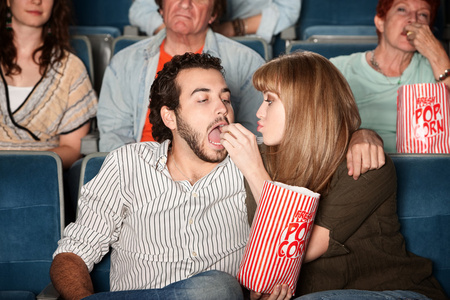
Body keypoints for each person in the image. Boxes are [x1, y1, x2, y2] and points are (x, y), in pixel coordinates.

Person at [51, 52, 385, 300]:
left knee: (216, 288)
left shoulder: (259, 160)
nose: (222, 108)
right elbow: (72, 255)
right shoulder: (128, 163)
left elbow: (315, 137)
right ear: (170, 116)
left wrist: (363, 133)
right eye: (203, 99)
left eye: (225, 98)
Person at [220, 51, 447, 300]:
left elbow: (287, 253)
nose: (259, 113)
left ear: (304, 105)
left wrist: (254, 171)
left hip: (391, 291)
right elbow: (266, 272)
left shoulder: (364, 165)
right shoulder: (262, 158)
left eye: (270, 101)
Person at [97, 0, 265, 152]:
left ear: (213, 14)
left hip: (214, 170)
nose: (185, 4)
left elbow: (255, 135)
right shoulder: (124, 62)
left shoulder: (247, 63)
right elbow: (114, 135)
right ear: (161, 8)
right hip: (139, 168)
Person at [330, 0, 450, 153]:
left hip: (423, 166)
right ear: (380, 22)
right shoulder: (339, 68)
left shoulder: (436, 69)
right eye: (402, 9)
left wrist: (437, 54)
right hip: (357, 167)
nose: (413, 19)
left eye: (423, 14)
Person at [0, 0, 97, 170]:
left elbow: (73, 149)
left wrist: (26, 166)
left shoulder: (71, 69)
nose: (36, 1)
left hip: (41, 179)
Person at [129, 0, 301, 43]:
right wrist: (179, 31)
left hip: (243, 40)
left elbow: (288, 9)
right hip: (176, 41)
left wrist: (230, 29)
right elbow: (140, 10)